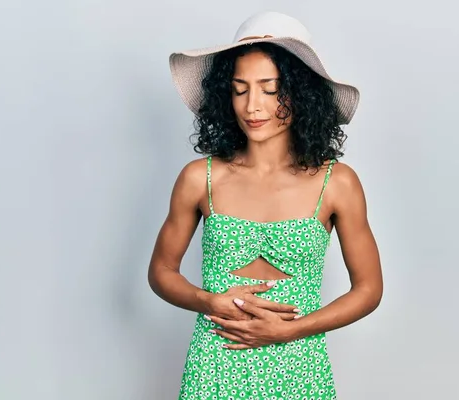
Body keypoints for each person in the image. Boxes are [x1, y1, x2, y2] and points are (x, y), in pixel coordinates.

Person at [148, 11, 383, 400]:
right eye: (240, 89)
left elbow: (369, 289)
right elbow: (161, 270)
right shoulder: (199, 178)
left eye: (269, 89)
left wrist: (291, 330)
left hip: (299, 364)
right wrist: (207, 300)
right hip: (216, 363)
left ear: (300, 92)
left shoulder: (337, 183)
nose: (252, 106)